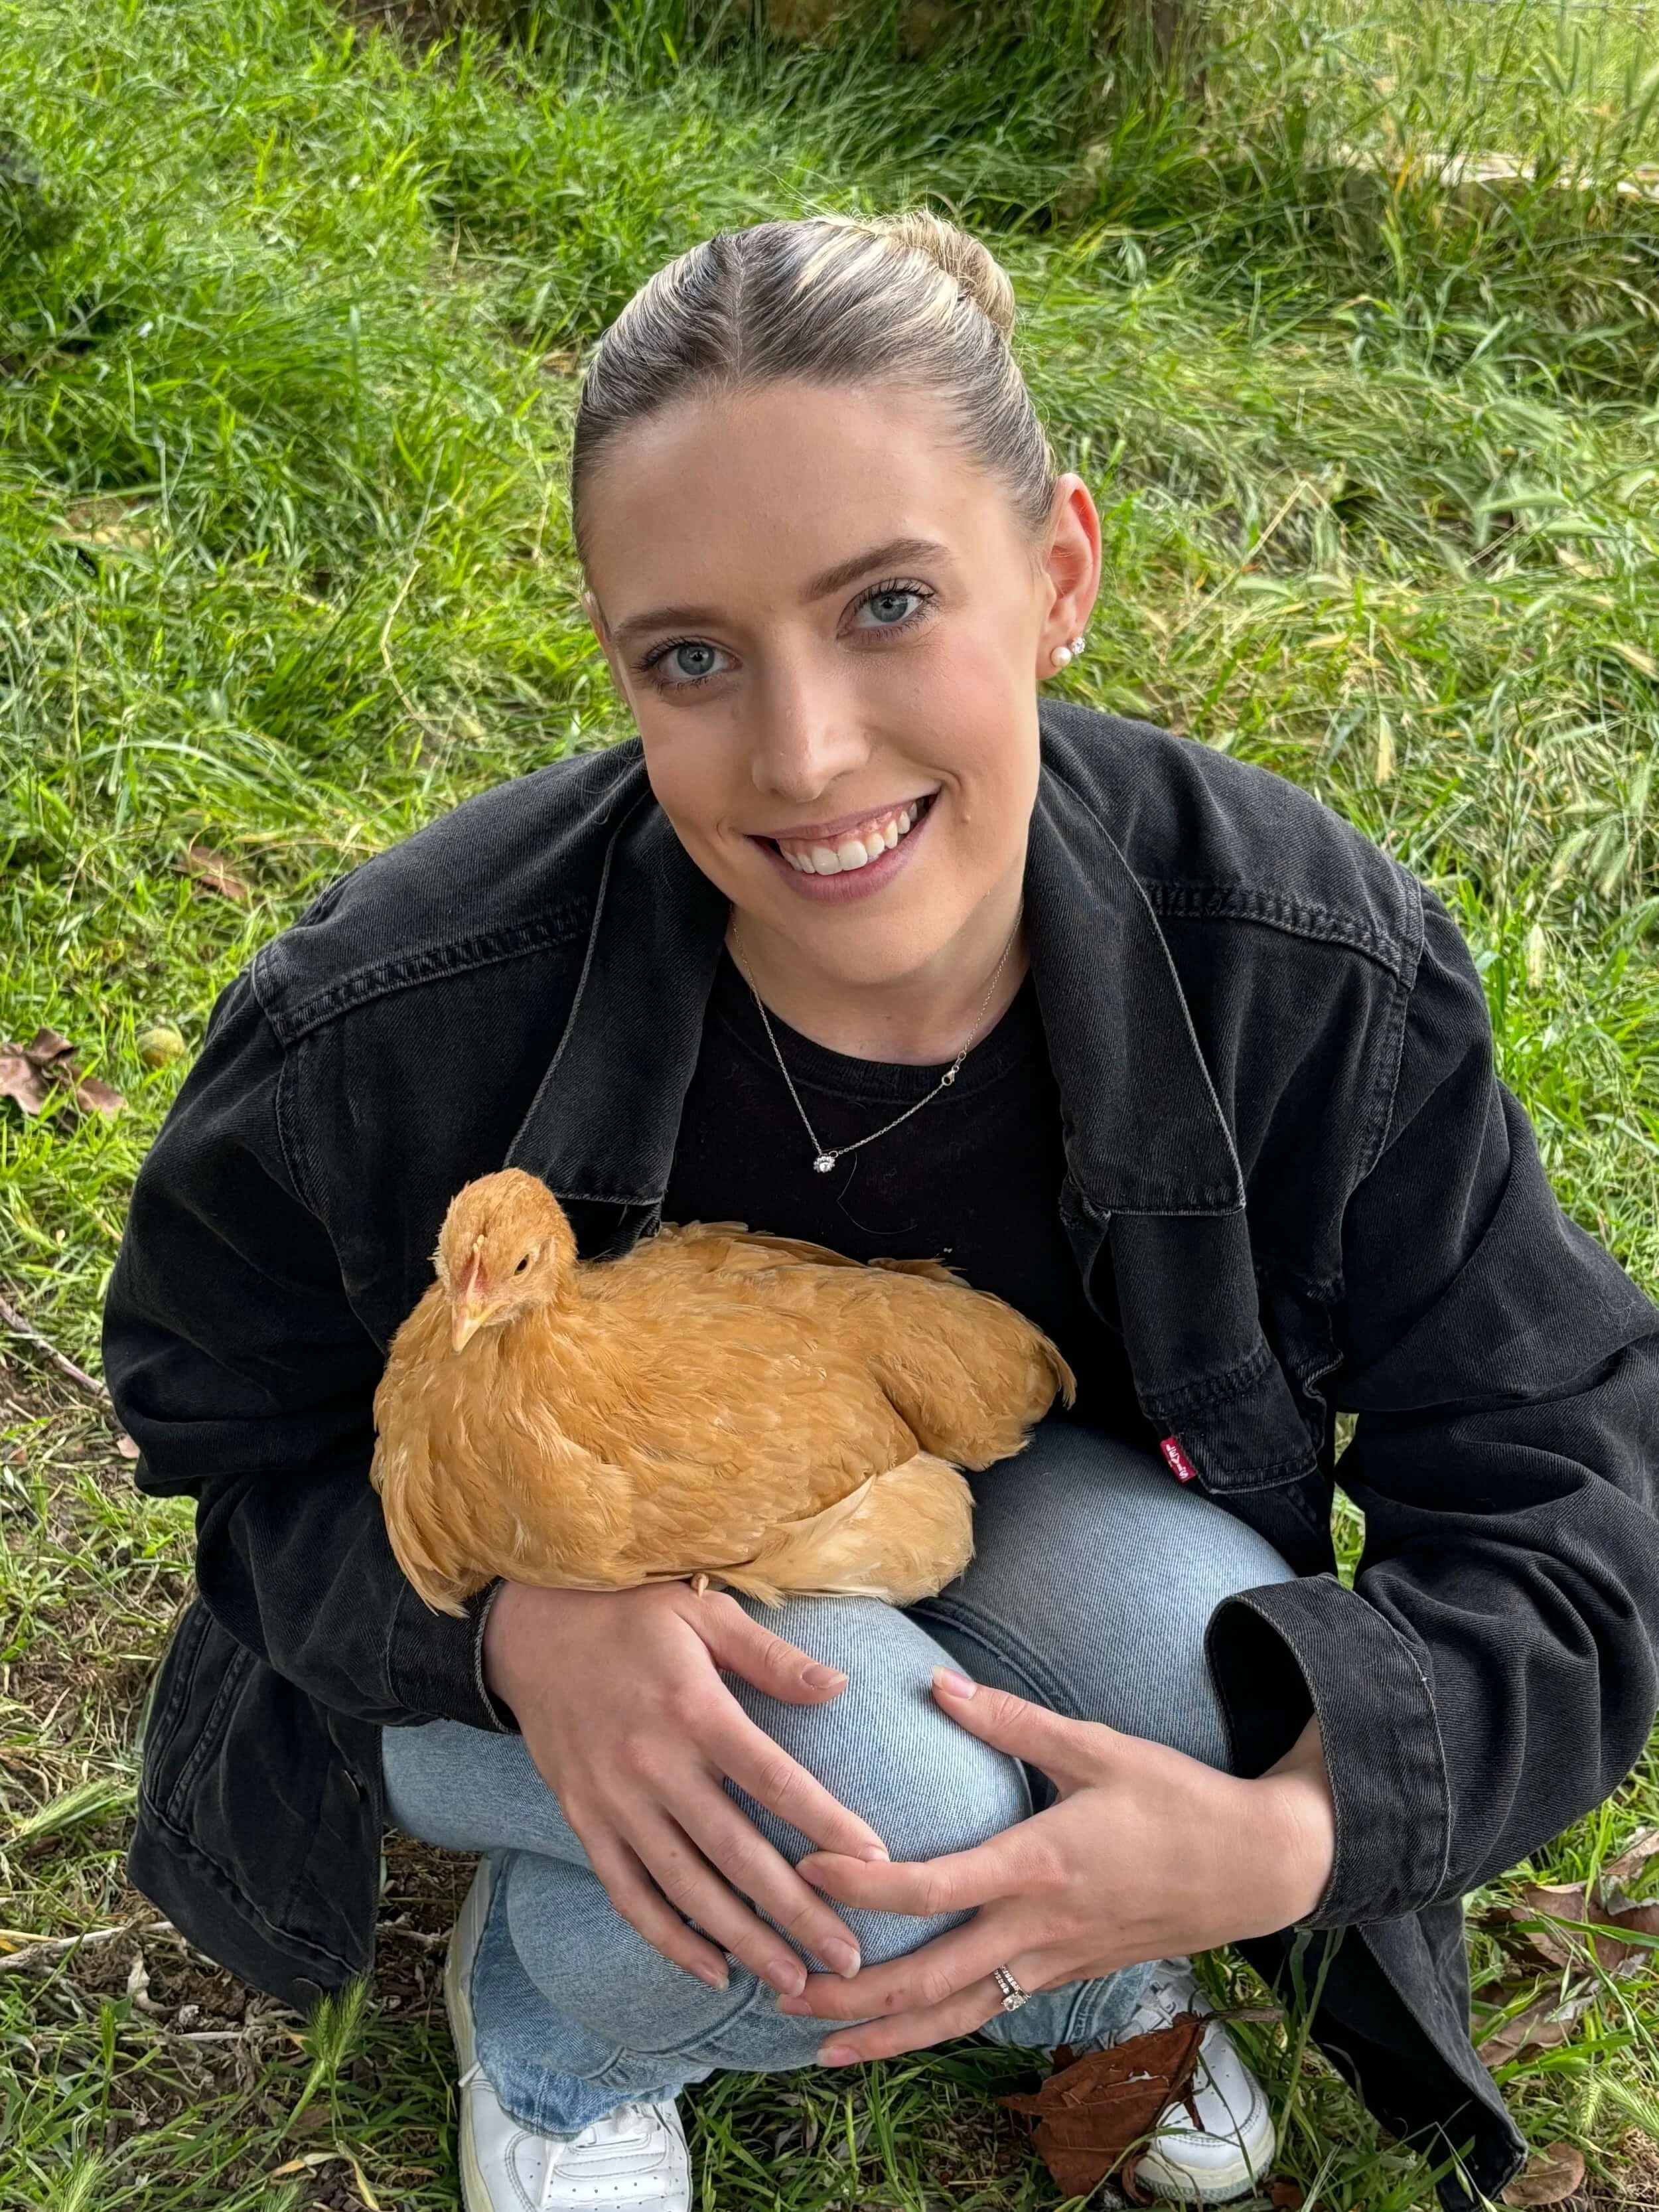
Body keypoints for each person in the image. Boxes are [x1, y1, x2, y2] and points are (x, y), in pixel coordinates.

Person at [104, 213, 1659, 2212]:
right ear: (617, 661)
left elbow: (1569, 1481)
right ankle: (565, 2027)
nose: (806, 753)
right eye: (691, 658)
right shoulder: (389, 1016)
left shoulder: (1301, 968)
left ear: (1059, 575)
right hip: (548, 1604)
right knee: (891, 1808)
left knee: (1203, 1661)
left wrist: (1281, 1842)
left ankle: (1060, 1938)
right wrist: (513, 1633)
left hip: (926, 1508)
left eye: (890, 604)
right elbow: (223, 1421)